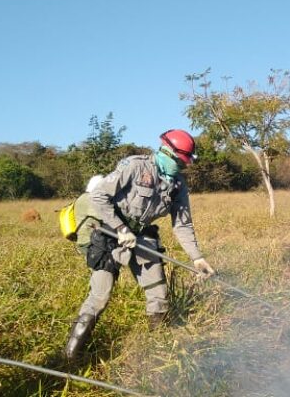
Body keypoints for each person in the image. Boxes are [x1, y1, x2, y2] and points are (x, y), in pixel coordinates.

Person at [63, 129, 216, 360]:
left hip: (142, 235)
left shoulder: (178, 186)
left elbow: (182, 225)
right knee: (100, 295)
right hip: (109, 233)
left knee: (159, 294)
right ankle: (70, 357)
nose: (182, 167)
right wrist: (120, 228)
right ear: (166, 152)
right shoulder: (135, 166)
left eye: (185, 164)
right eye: (180, 162)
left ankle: (157, 353)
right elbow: (98, 196)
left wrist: (197, 258)